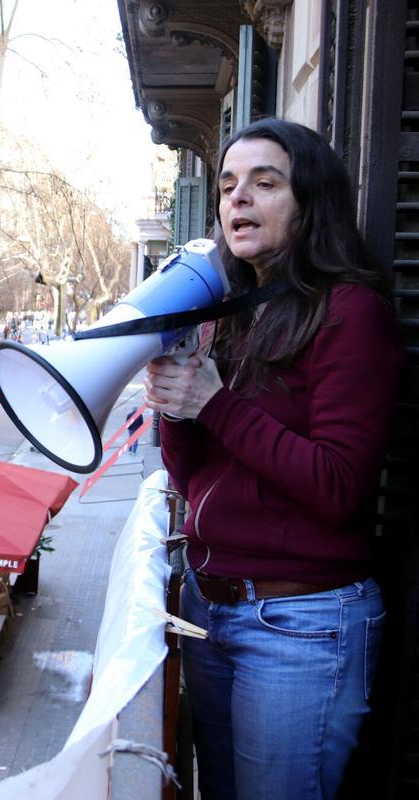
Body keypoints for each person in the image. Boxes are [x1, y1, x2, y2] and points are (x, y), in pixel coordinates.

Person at [145, 118, 403, 800]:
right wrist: (179, 408)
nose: (238, 198)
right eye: (228, 184)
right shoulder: (238, 313)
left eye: (265, 183)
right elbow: (194, 480)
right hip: (212, 609)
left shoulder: (351, 313)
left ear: (309, 201)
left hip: (301, 625)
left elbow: (340, 485)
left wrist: (216, 404)